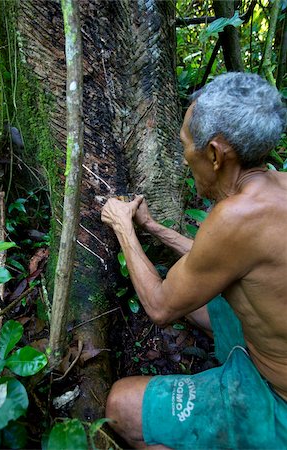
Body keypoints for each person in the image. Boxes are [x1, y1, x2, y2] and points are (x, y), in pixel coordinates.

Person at [101, 72, 287, 449]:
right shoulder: (277, 185)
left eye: (187, 147)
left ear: (216, 155)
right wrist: (152, 227)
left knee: (120, 404)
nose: (185, 159)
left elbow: (158, 306)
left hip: (278, 398)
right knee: (193, 293)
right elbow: (223, 260)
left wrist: (124, 228)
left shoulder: (235, 218)